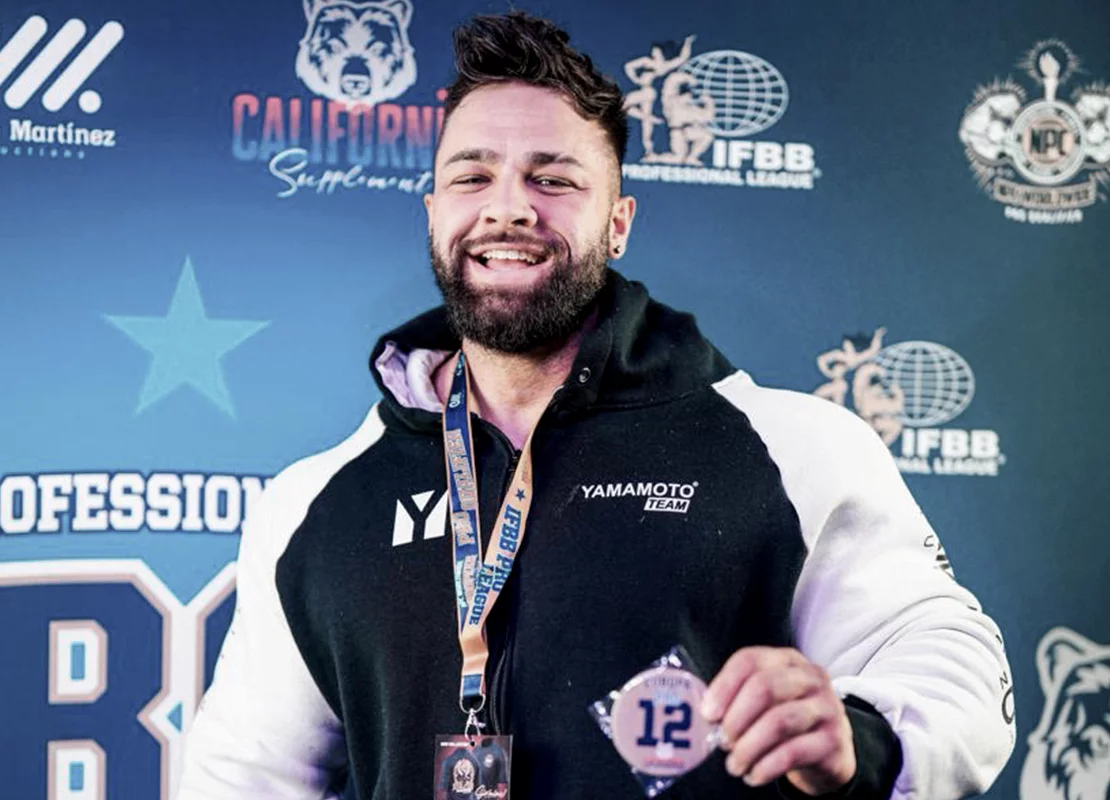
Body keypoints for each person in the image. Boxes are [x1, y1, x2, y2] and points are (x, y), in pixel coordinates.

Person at [177, 12, 1015, 800]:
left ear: (618, 223)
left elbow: (956, 668)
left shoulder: (792, 448)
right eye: (472, 176)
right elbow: (243, 777)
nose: (509, 206)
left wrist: (860, 736)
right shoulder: (315, 503)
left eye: (553, 178)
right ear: (433, 213)